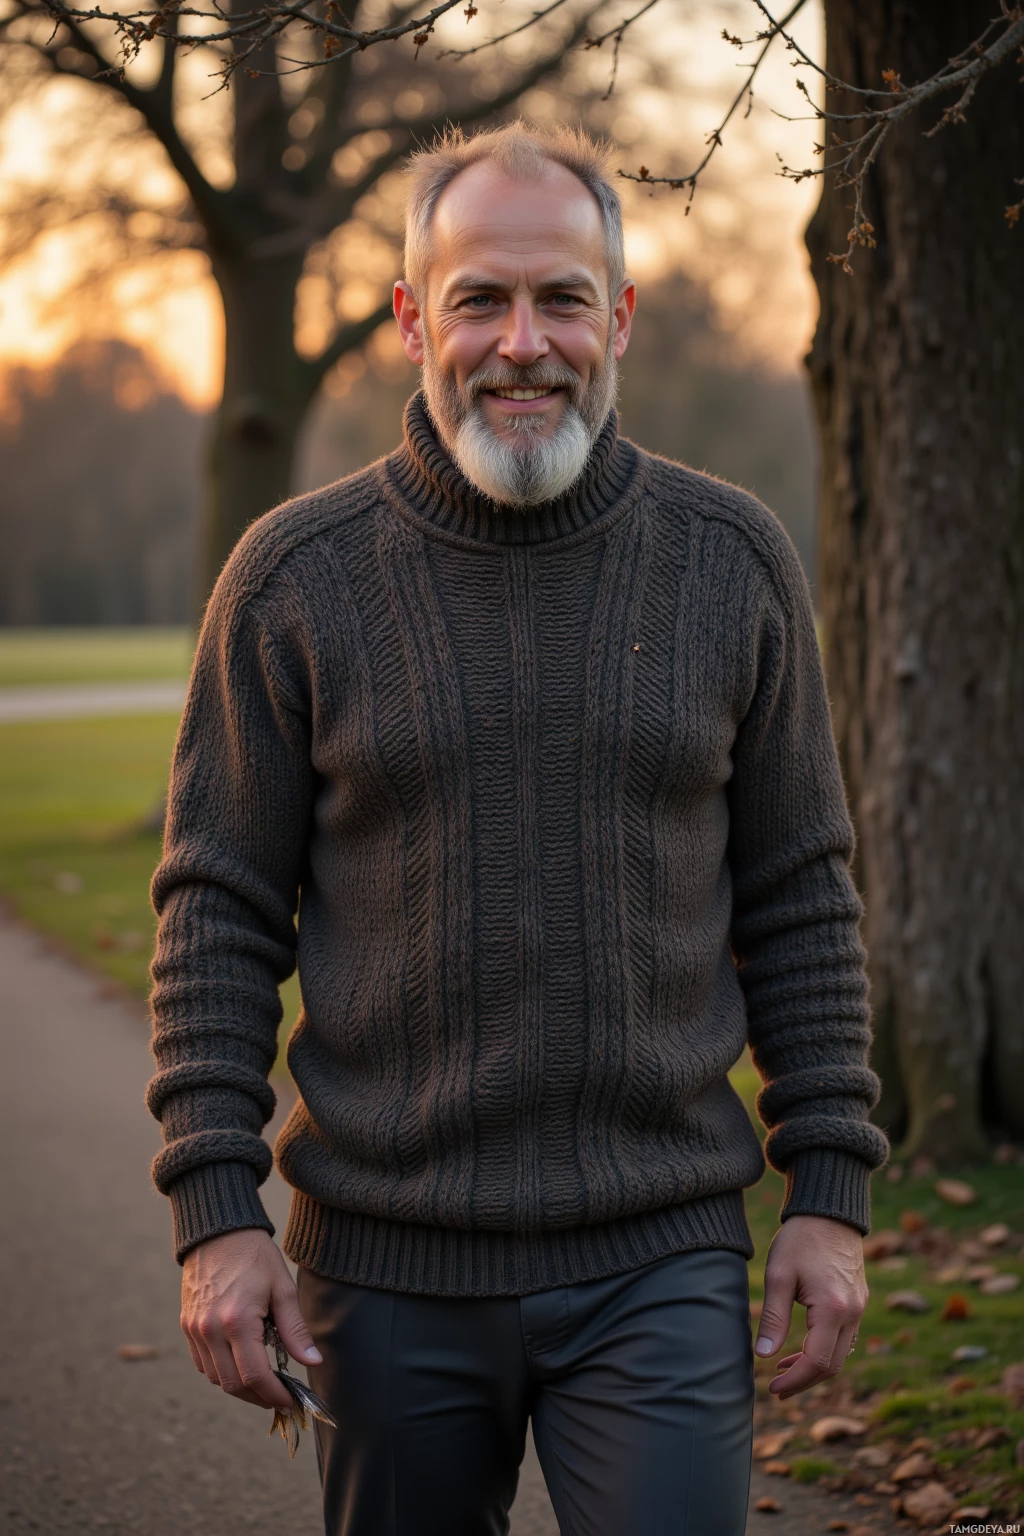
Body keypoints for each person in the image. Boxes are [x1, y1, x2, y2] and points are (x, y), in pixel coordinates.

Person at [146, 120, 890, 1535]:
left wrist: (829, 1190)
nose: (523, 344)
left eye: (562, 299)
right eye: (479, 299)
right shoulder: (293, 578)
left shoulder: (732, 561)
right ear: (411, 319)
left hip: (661, 1256)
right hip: (383, 1266)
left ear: (621, 317)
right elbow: (216, 914)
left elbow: (801, 898)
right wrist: (217, 1214)